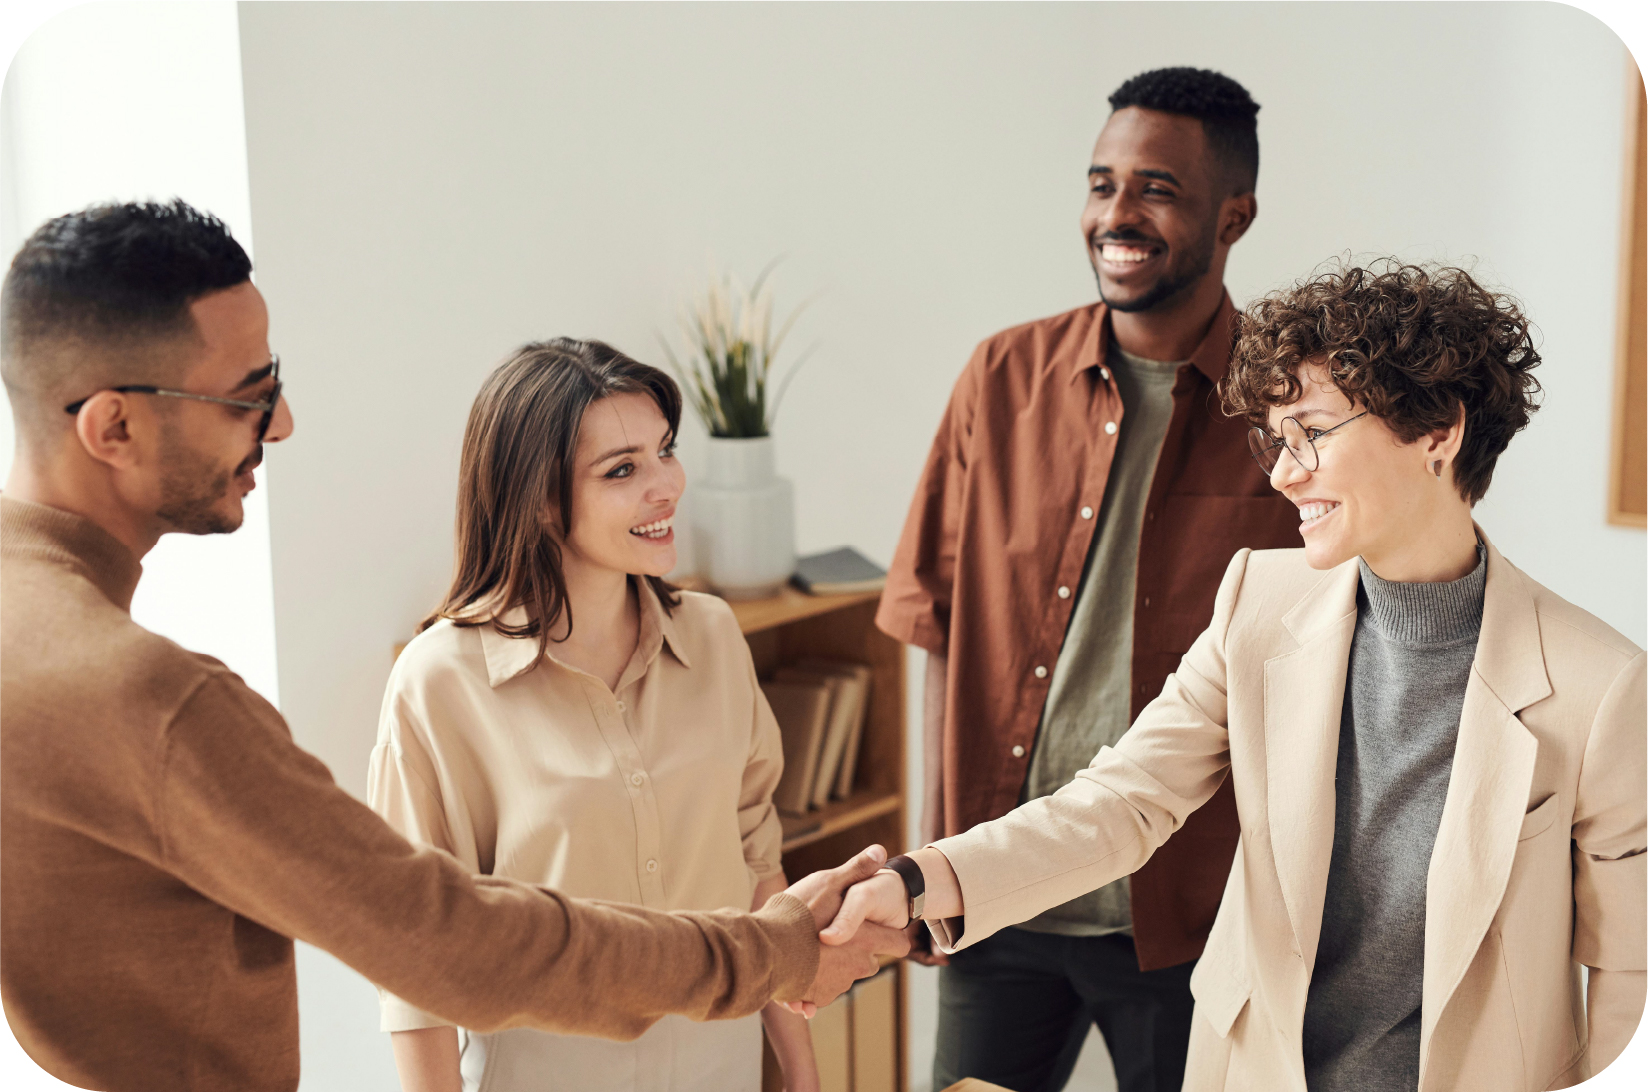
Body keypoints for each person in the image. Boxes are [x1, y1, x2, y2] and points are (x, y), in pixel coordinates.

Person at [0, 200, 906, 1092]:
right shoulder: (153, 697)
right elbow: (441, 944)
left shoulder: (32, 638)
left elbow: (749, 851)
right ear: (111, 426)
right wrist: (772, 953)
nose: (281, 425)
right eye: (249, 398)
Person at [830, 261, 1647, 1090]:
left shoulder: (1598, 686)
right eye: (1276, 439)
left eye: (1314, 434)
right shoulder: (1258, 601)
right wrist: (918, 880)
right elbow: (1121, 801)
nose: (1284, 474)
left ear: (1439, 433)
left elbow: (1632, 982)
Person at [875, 67, 1298, 1092]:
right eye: (1102, 182)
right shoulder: (999, 379)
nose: (1117, 214)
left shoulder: (1290, 406)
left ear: (1232, 216)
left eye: (1156, 188)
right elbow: (931, 626)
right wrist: (932, 864)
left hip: (1190, 917)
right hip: (997, 897)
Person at [372, 339, 819, 1092]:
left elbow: (758, 871)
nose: (666, 486)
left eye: (665, 452)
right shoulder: (441, 682)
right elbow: (415, 961)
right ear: (540, 501)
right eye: (622, 470)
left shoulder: (712, 637)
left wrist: (802, 1075)